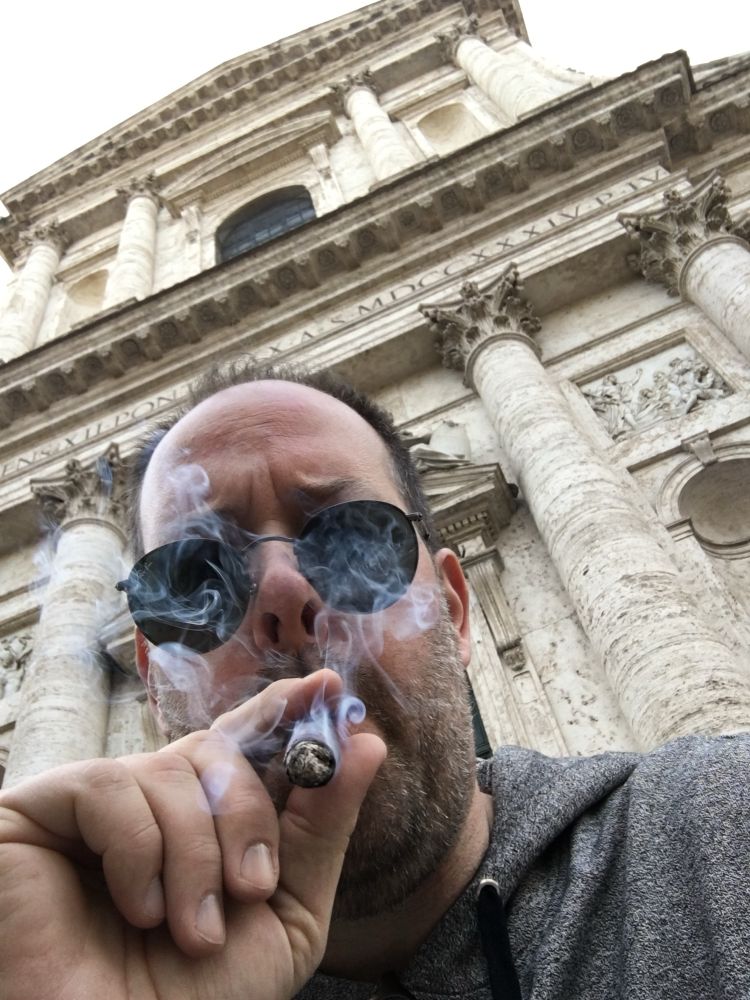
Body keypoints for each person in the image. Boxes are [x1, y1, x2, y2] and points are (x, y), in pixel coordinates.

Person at [0, 358, 748, 1000]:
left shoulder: (722, 828)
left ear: (454, 610)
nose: (286, 595)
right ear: (153, 677)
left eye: (356, 536)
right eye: (197, 574)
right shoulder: (104, 966)